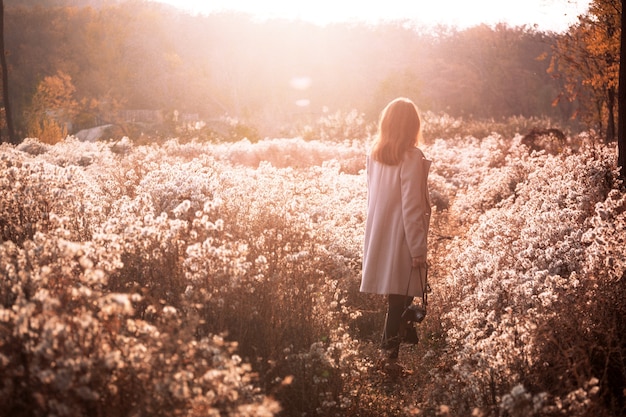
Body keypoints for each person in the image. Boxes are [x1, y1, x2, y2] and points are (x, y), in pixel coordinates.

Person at [361, 97, 431, 372]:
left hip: (381, 233)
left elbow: (372, 198)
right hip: (402, 236)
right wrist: (418, 250)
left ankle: (389, 356)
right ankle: (389, 360)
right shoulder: (411, 158)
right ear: (412, 125)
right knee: (400, 299)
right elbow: (412, 207)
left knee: (397, 299)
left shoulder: (375, 154)